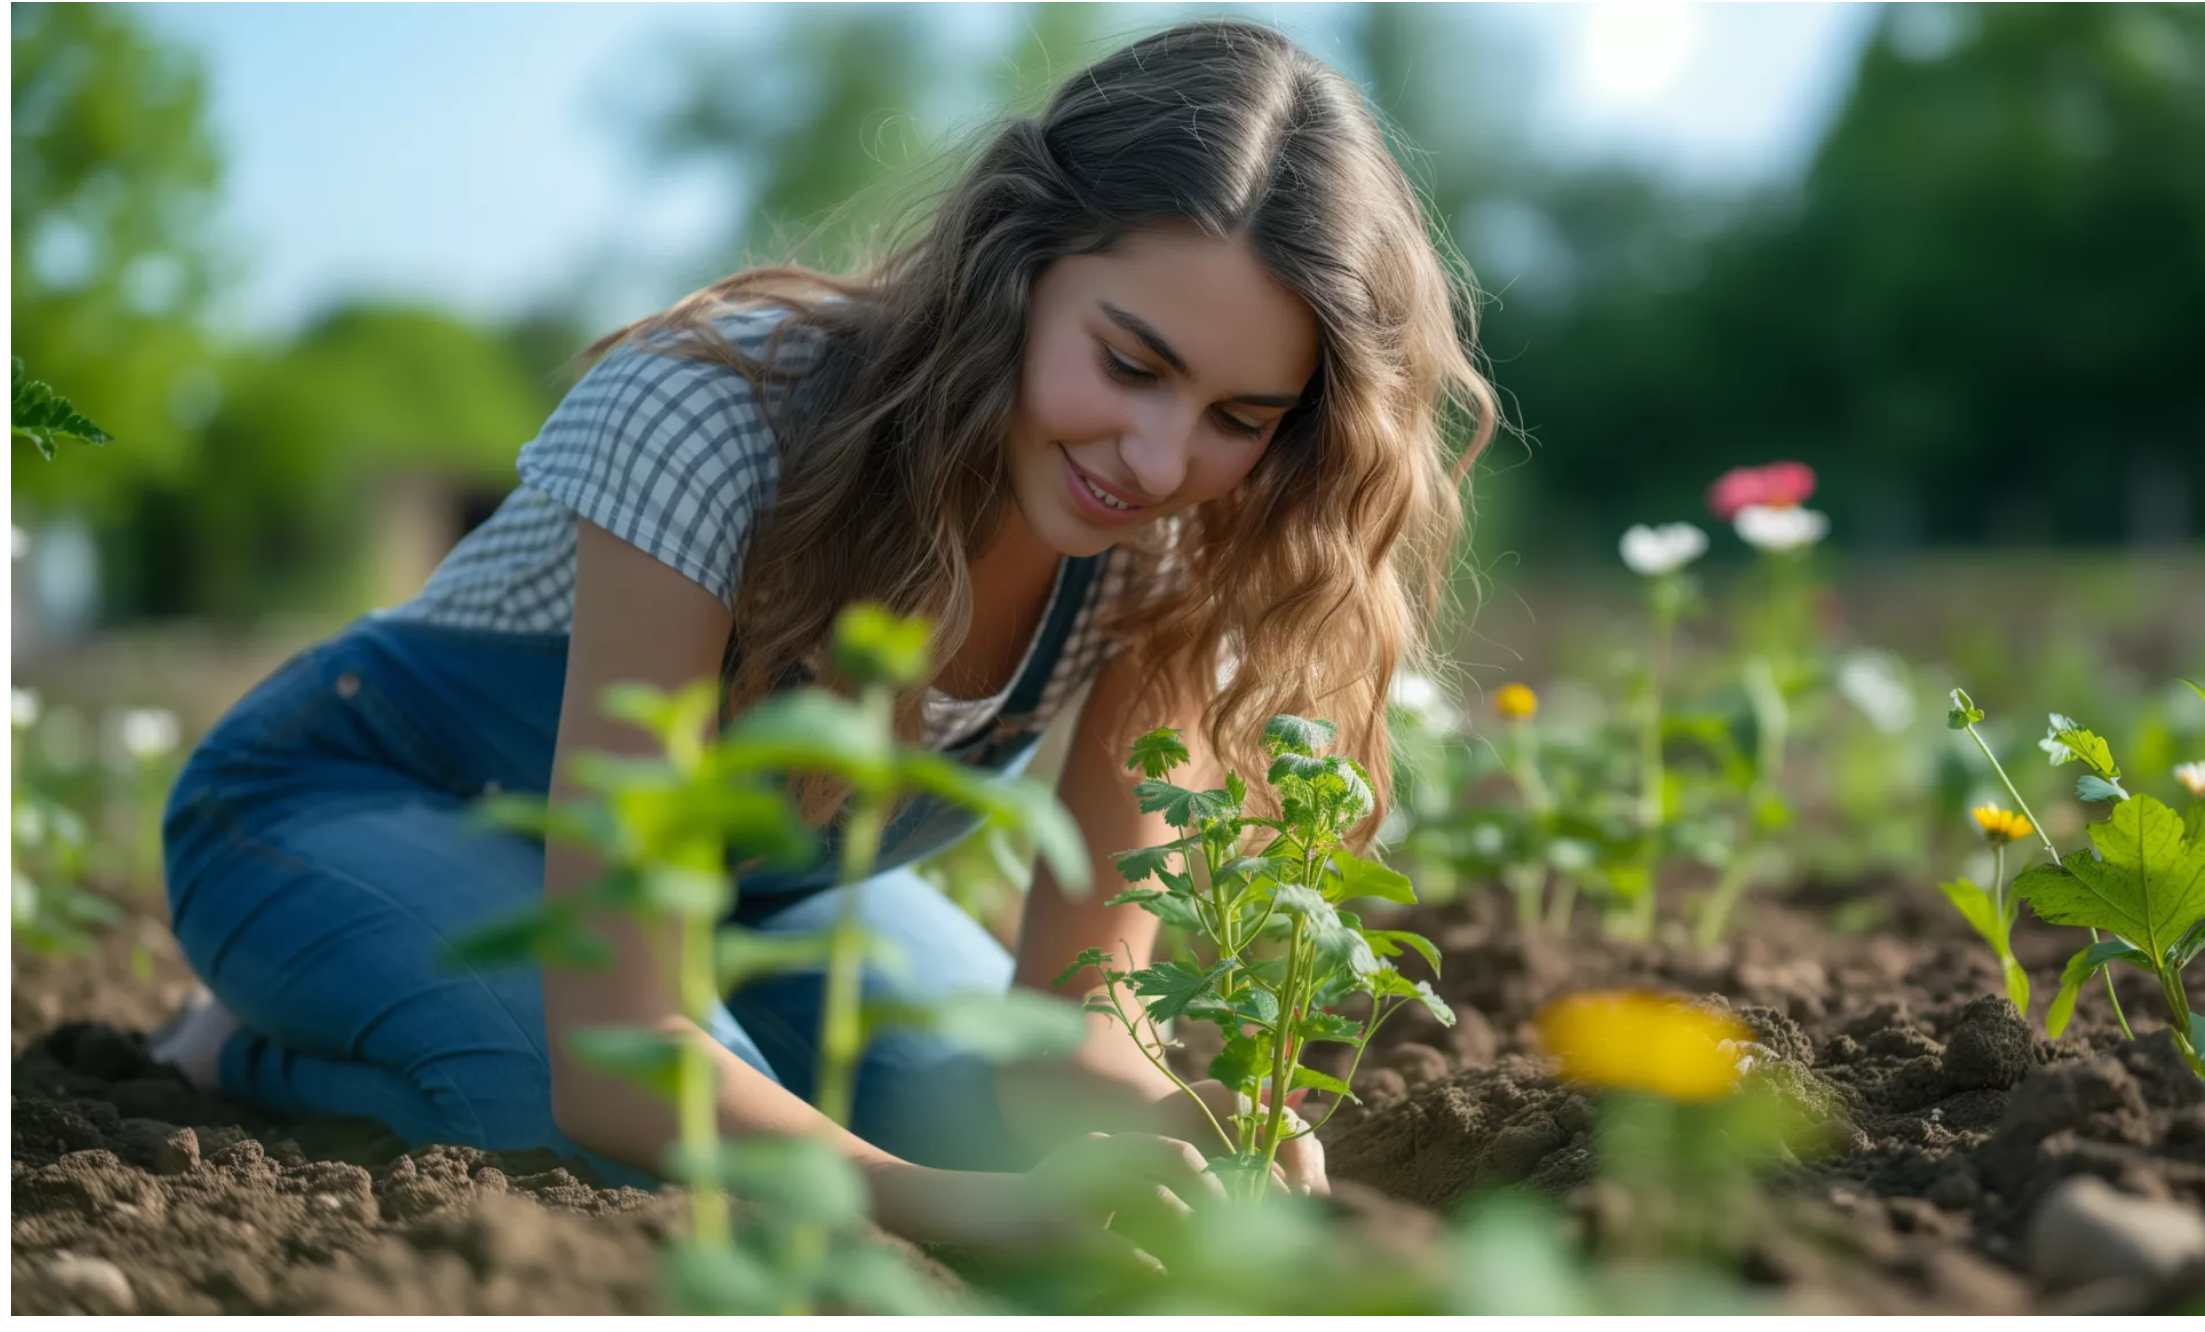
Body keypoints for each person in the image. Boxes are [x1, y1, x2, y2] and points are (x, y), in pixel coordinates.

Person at [151, 17, 1496, 1252]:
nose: (1156, 458)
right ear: (1014, 265)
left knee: (979, 1126)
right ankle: (242, 1042)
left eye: (1238, 416)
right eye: (1131, 365)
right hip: (344, 803)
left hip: (749, 906)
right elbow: (626, 1038)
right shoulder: (711, 420)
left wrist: (1173, 1129)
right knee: (598, 1130)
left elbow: (1076, 1023)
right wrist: (953, 1212)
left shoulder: (1181, 557)